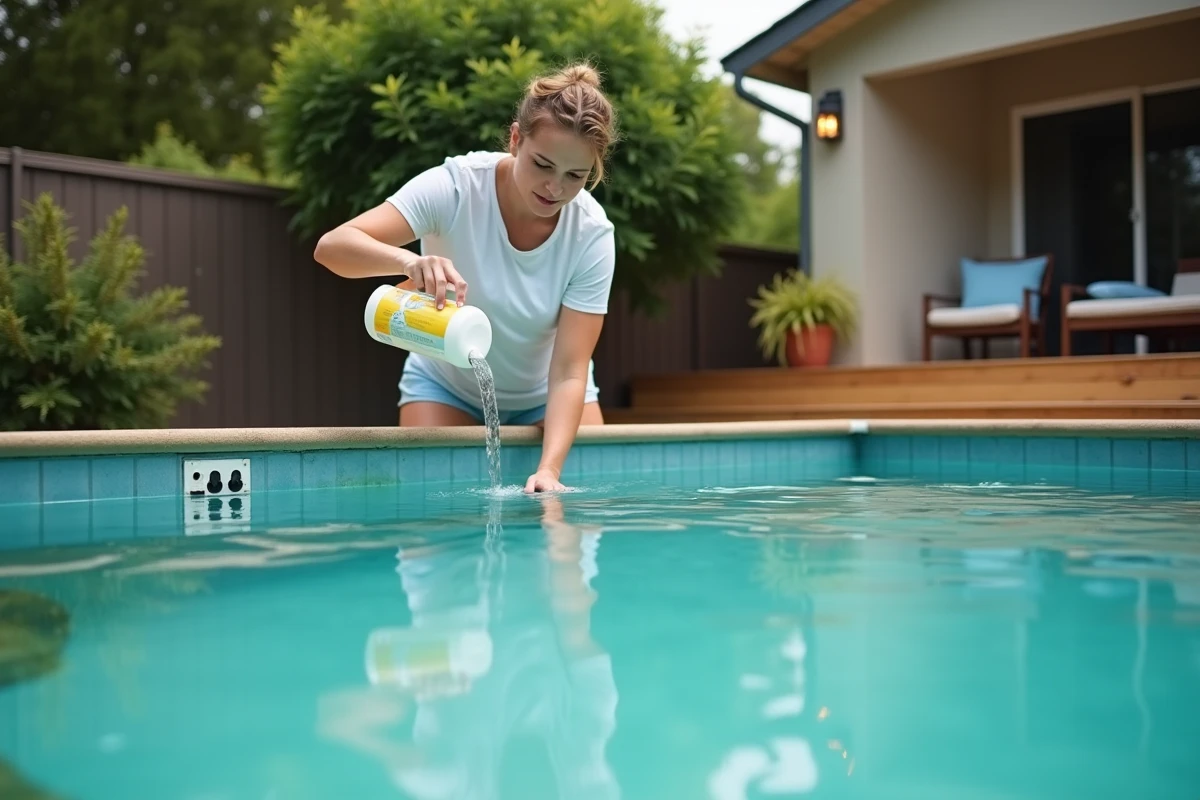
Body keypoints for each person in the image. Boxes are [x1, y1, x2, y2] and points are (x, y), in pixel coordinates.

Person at [314, 62, 620, 494]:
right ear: (516, 139)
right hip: (445, 386)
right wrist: (407, 262)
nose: (555, 188)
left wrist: (549, 470)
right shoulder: (455, 188)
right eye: (543, 164)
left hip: (548, 397)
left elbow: (571, 371)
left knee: (574, 520)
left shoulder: (591, 233)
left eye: (575, 176)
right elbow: (332, 247)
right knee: (431, 514)